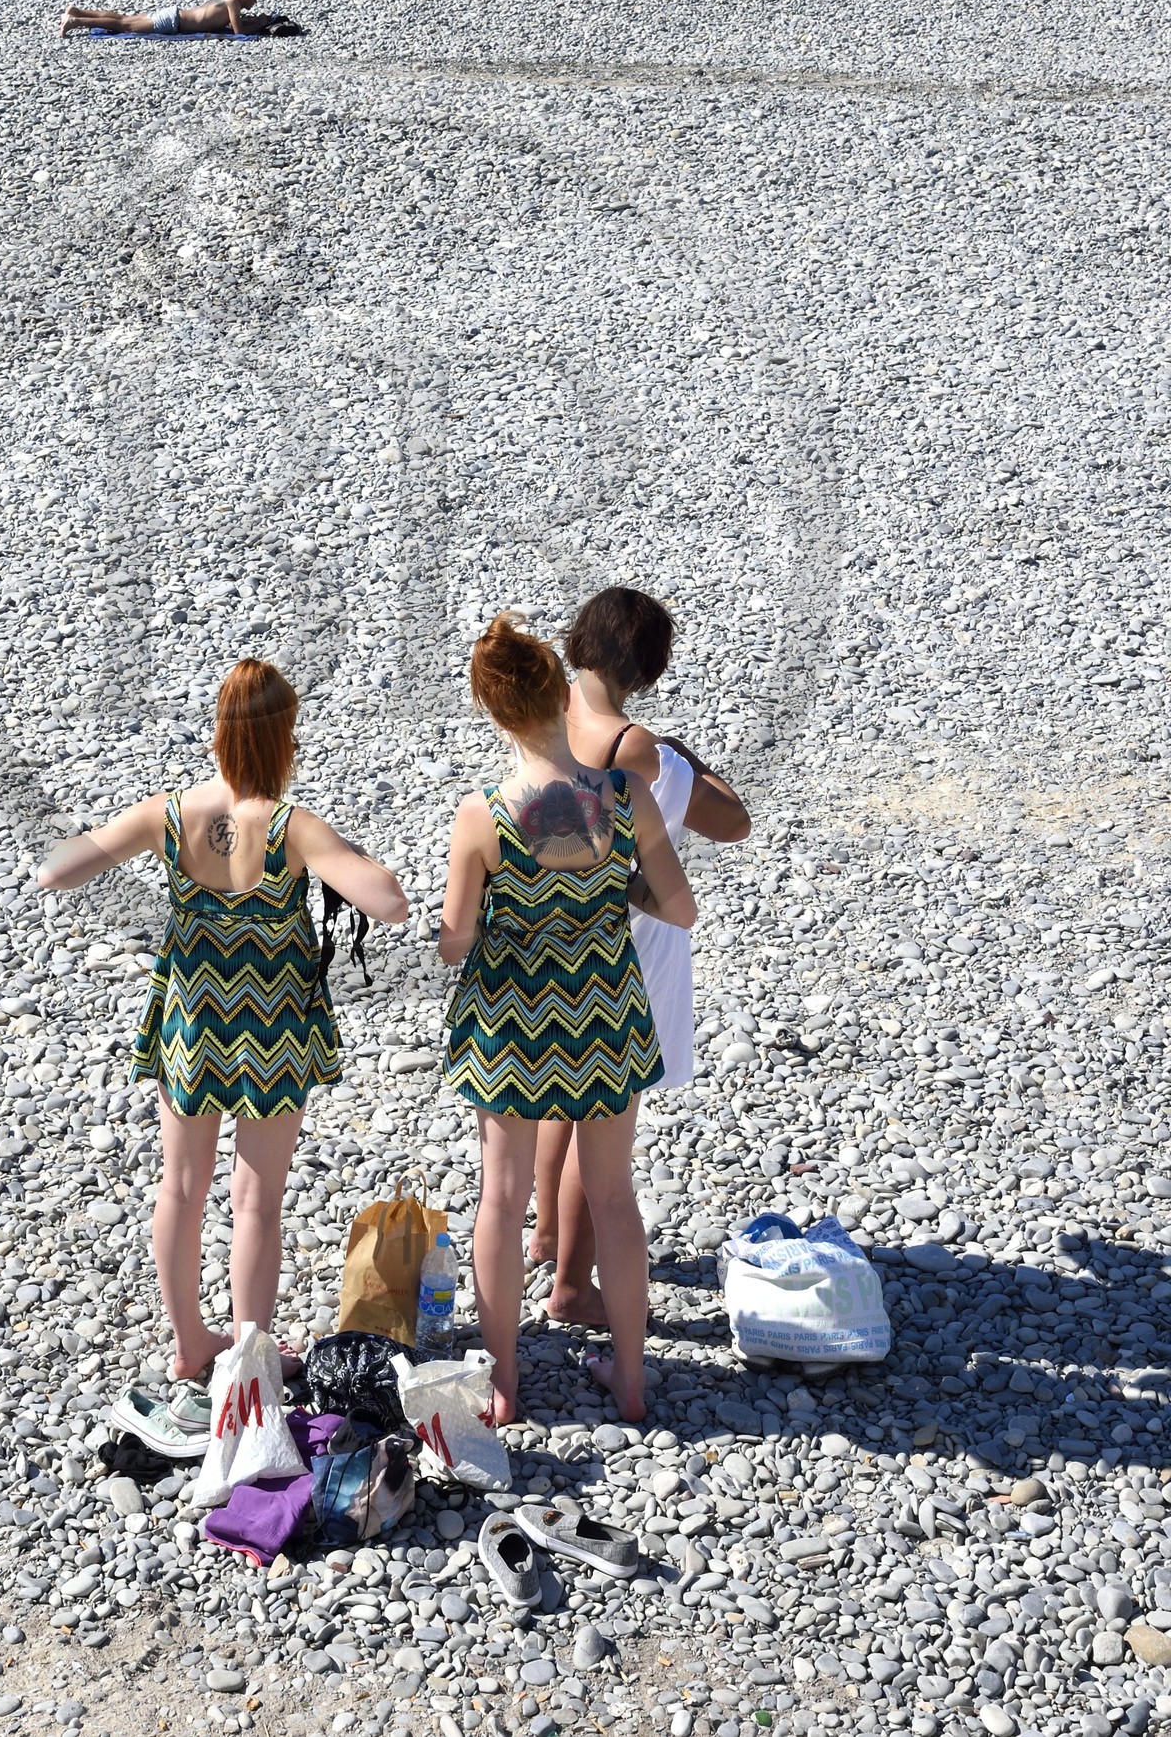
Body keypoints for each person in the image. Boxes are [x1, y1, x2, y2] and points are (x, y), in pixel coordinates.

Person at [37, 660, 406, 1385]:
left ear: (218, 734)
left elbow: (56, 871)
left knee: (180, 1184)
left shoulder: (168, 815)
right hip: (273, 1027)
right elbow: (388, 901)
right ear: (284, 740)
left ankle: (188, 1342)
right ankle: (248, 1354)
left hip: (193, 1021)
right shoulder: (291, 826)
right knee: (256, 1196)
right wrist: (351, 856)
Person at [438, 615, 694, 1425]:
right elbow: (679, 908)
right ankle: (630, 1380)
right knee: (616, 1198)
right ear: (559, 692)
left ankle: (507, 1385)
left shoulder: (483, 814)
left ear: (493, 712)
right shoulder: (624, 796)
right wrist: (607, 889)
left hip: (513, 1018)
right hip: (606, 1010)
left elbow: (455, 942)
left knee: (501, 1198)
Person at [530, 585, 751, 1323]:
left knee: (562, 1092)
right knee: (605, 1109)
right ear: (649, 665)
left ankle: (547, 1236)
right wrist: (684, 753)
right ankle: (571, 1284)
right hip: (623, 943)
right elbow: (732, 820)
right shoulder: (637, 748)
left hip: (548, 932)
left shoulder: (547, 712)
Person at [61, 0, 269, 38]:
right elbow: (237, 31)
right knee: (126, 25)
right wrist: (259, 24)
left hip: (174, 14)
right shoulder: (234, 2)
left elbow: (232, 22)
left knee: (125, 18)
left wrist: (252, 20)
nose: (255, 2)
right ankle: (76, 22)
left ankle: (78, 11)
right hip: (172, 22)